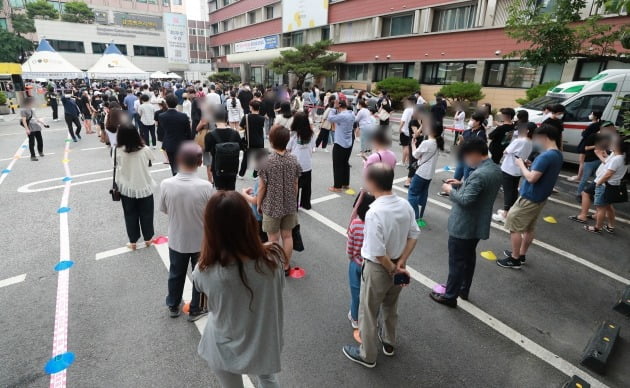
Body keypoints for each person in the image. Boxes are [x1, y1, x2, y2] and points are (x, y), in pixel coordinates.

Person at [193, 191, 285, 388]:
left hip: (223, 344)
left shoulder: (205, 270)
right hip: (263, 338)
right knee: (268, 379)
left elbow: (201, 287)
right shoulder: (273, 258)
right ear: (249, 222)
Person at [342, 163, 419, 368]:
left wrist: (392, 267)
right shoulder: (405, 205)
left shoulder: (374, 211)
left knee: (368, 311)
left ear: (373, 183)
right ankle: (389, 342)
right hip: (398, 264)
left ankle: (367, 355)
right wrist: (401, 262)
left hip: (378, 268)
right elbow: (414, 235)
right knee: (390, 306)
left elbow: (377, 251)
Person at [431, 138, 502, 306]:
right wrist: (461, 184)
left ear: (476, 154)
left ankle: (449, 296)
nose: (466, 161)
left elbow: (465, 200)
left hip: (464, 225)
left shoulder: (479, 174)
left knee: (457, 262)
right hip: (477, 225)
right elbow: (478, 190)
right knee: (468, 259)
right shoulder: (494, 169)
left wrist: (449, 190)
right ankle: (463, 289)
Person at [159, 142, 215, 320]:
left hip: (177, 238)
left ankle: (173, 305)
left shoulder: (166, 184)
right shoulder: (206, 186)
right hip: (201, 240)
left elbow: (164, 209)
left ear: (178, 160)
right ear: (199, 163)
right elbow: (211, 213)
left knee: (176, 273)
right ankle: (197, 308)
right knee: (201, 275)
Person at [497, 124, 563, 269]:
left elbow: (532, 178)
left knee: (513, 225)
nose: (535, 142)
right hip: (540, 197)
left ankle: (514, 259)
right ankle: (521, 254)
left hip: (530, 197)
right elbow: (541, 172)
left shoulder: (545, 155)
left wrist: (521, 164)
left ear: (544, 137)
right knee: (528, 228)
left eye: (537, 139)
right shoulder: (557, 154)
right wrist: (531, 164)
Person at [257, 125, 302, 275]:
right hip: (289, 204)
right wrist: (293, 199)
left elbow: (262, 187)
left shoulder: (266, 162)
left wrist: (258, 204)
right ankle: (286, 265)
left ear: (271, 140)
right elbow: (296, 183)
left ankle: (275, 267)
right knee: (287, 236)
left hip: (271, 205)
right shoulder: (293, 159)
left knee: (273, 239)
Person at [114, 124, 155, 251]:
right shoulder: (145, 149)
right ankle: (148, 239)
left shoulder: (117, 150)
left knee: (130, 214)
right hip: (144, 185)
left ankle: (133, 242)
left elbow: (114, 165)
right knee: (147, 213)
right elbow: (151, 160)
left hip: (126, 187)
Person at [579, 135, 628, 234]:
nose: (612, 145)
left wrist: (599, 183)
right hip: (613, 185)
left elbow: (608, 174)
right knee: (608, 207)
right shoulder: (624, 157)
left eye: (615, 144)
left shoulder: (616, 159)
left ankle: (598, 227)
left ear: (619, 146)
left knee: (601, 208)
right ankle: (611, 226)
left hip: (605, 185)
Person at [492, 122, 534, 223]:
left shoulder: (519, 141)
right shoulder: (531, 142)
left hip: (509, 168)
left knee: (508, 192)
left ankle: (505, 215)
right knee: (513, 190)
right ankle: (510, 211)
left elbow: (505, 151)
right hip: (518, 169)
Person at [346, 193, 375, 329]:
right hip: (370, 264)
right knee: (368, 293)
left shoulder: (355, 225)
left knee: (355, 292)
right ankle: (368, 318)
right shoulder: (375, 225)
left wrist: (351, 257)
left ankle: (355, 317)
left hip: (355, 263)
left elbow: (350, 248)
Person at [407, 118, 444, 227]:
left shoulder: (427, 142)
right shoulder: (437, 142)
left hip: (421, 172)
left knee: (412, 193)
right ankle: (420, 216)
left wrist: (413, 144)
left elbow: (415, 155)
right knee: (423, 195)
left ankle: (414, 216)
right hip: (429, 173)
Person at [205, 109, 242, 190]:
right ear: (227, 119)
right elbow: (240, 147)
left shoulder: (210, 135)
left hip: (217, 167)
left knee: (220, 192)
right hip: (232, 167)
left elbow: (207, 149)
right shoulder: (235, 133)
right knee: (231, 191)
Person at [287, 112, 316, 209]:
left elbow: (288, 148)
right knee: (307, 187)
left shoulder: (293, 135)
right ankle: (306, 204)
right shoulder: (311, 134)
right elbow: (312, 148)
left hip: (295, 164)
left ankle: (294, 206)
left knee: (294, 186)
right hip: (307, 164)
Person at [160, 94, 192, 175]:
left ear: (166, 103)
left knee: (174, 167)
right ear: (177, 103)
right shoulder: (183, 116)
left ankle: (176, 182)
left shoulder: (162, 116)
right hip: (183, 144)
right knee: (184, 166)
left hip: (169, 143)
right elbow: (188, 132)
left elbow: (164, 130)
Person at [574, 111, 603, 198]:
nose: (590, 115)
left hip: (592, 156)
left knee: (584, 168)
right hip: (595, 157)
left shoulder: (593, 127)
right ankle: (581, 193)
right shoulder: (597, 128)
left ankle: (580, 180)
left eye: (592, 114)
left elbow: (584, 135)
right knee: (592, 176)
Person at [328, 100, 355, 193]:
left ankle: (337, 186)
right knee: (345, 163)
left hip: (340, 143)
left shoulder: (342, 115)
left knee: (337, 165)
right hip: (348, 142)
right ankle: (345, 183)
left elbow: (330, 118)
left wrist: (333, 108)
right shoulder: (351, 113)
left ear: (339, 106)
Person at [238, 100, 266, 178]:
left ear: (251, 107)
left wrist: (246, 127)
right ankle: (255, 175)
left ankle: (241, 174)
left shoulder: (246, 117)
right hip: (260, 141)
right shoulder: (262, 118)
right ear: (259, 108)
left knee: (246, 158)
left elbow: (240, 128)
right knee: (259, 159)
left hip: (249, 141)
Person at [21, 97, 49, 161]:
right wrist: (27, 129)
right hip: (30, 127)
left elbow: (36, 118)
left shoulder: (32, 109)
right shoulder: (23, 110)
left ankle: (40, 151)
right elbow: (24, 121)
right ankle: (33, 156)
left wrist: (44, 124)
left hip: (36, 126)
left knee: (40, 141)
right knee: (32, 142)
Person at [398, 97, 415, 166]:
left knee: (405, 147)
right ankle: (408, 160)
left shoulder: (407, 110)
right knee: (409, 146)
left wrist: (400, 128)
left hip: (405, 130)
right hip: (412, 131)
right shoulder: (415, 109)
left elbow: (403, 120)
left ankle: (403, 161)